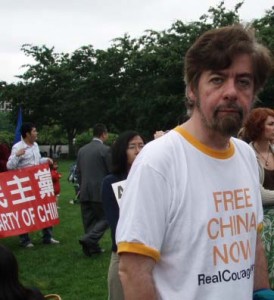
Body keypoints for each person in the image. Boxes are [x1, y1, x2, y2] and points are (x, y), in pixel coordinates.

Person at [116, 24, 274, 299]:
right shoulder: (158, 161)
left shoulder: (245, 155)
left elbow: (253, 242)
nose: (231, 92)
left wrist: (262, 293)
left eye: (243, 82)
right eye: (217, 79)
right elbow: (133, 270)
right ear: (192, 90)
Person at [102, 131, 145, 300]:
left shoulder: (152, 176)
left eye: (141, 145)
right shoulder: (111, 181)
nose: (138, 150)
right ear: (122, 151)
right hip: (123, 252)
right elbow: (116, 223)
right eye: (132, 147)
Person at [6, 122, 60, 248]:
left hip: (37, 182)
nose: (37, 133)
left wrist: (45, 160)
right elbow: (10, 166)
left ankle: (48, 236)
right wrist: (17, 156)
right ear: (27, 134)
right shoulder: (17, 147)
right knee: (26, 210)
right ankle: (25, 240)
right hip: (25, 185)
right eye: (35, 131)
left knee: (45, 207)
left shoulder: (35, 145)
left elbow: (36, 161)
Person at [243, 107, 274, 289]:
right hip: (264, 218)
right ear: (258, 127)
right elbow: (258, 194)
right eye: (271, 124)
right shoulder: (247, 155)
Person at [77, 123, 111, 256]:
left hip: (84, 190)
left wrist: (81, 187)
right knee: (106, 217)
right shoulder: (105, 150)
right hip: (100, 190)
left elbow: (78, 172)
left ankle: (91, 248)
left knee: (89, 221)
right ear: (103, 134)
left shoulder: (82, 150)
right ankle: (89, 240)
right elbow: (111, 171)